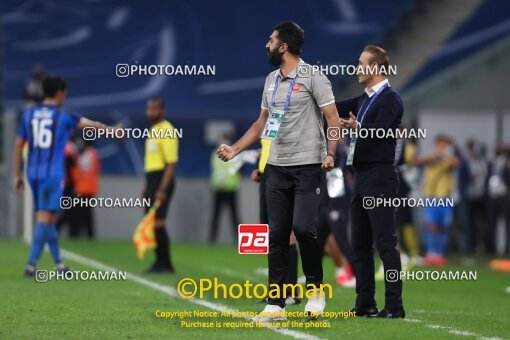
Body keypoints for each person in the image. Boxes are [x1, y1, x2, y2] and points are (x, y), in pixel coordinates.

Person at [217, 21, 340, 321]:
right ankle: (276, 303)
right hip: (277, 168)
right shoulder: (271, 80)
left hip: (309, 165)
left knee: (303, 227)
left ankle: (315, 292)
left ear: (283, 46)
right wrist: (234, 150)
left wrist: (331, 154)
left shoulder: (314, 77)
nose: (266, 45)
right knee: (277, 234)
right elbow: (261, 124)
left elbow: (333, 120)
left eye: (271, 40)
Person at [13, 76, 118, 276]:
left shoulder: (28, 115)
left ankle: (59, 264)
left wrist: (16, 175)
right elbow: (89, 125)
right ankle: (31, 265)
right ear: (60, 92)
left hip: (33, 172)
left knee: (50, 218)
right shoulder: (63, 115)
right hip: (52, 174)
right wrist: (111, 130)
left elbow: (18, 145)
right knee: (45, 218)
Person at [337, 45, 405, 318]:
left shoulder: (391, 99)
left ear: (375, 67)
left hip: (380, 177)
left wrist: (357, 128)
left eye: (361, 63)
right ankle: (365, 303)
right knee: (360, 244)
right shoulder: (364, 99)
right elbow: (333, 107)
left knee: (385, 243)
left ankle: (394, 306)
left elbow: (380, 131)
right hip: (361, 176)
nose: (357, 68)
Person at [251, 139, 301, 305]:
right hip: (267, 178)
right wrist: (260, 168)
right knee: (270, 235)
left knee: (288, 234)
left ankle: (291, 291)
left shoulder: (289, 118)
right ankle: (276, 290)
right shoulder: (268, 120)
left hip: (284, 178)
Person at [142, 98, 179, 273]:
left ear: (162, 110)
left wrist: (162, 188)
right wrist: (146, 186)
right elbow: (151, 161)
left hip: (162, 179)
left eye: (155, 109)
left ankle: (165, 264)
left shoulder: (167, 130)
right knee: (151, 222)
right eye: (149, 108)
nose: (151, 112)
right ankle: (159, 262)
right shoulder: (153, 130)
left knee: (158, 222)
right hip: (152, 179)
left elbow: (171, 163)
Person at [415, 135, 459, 266]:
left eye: (445, 145)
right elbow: (418, 160)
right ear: (437, 145)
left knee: (444, 227)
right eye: (441, 145)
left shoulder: (448, 159)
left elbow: (456, 163)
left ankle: (440, 253)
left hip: (445, 197)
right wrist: (436, 154)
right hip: (431, 196)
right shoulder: (430, 157)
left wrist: (443, 155)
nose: (443, 148)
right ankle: (430, 253)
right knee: (431, 225)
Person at [209, 134, 241, 243]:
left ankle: (238, 239)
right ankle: (212, 239)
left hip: (230, 188)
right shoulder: (215, 154)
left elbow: (237, 170)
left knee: (234, 215)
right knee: (216, 215)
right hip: (218, 188)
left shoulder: (234, 154)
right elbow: (215, 169)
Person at [72, 138, 101, 239]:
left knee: (82, 214)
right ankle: (90, 235)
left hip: (83, 189)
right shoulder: (94, 154)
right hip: (90, 188)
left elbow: (79, 171)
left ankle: (80, 234)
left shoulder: (86, 155)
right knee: (87, 214)